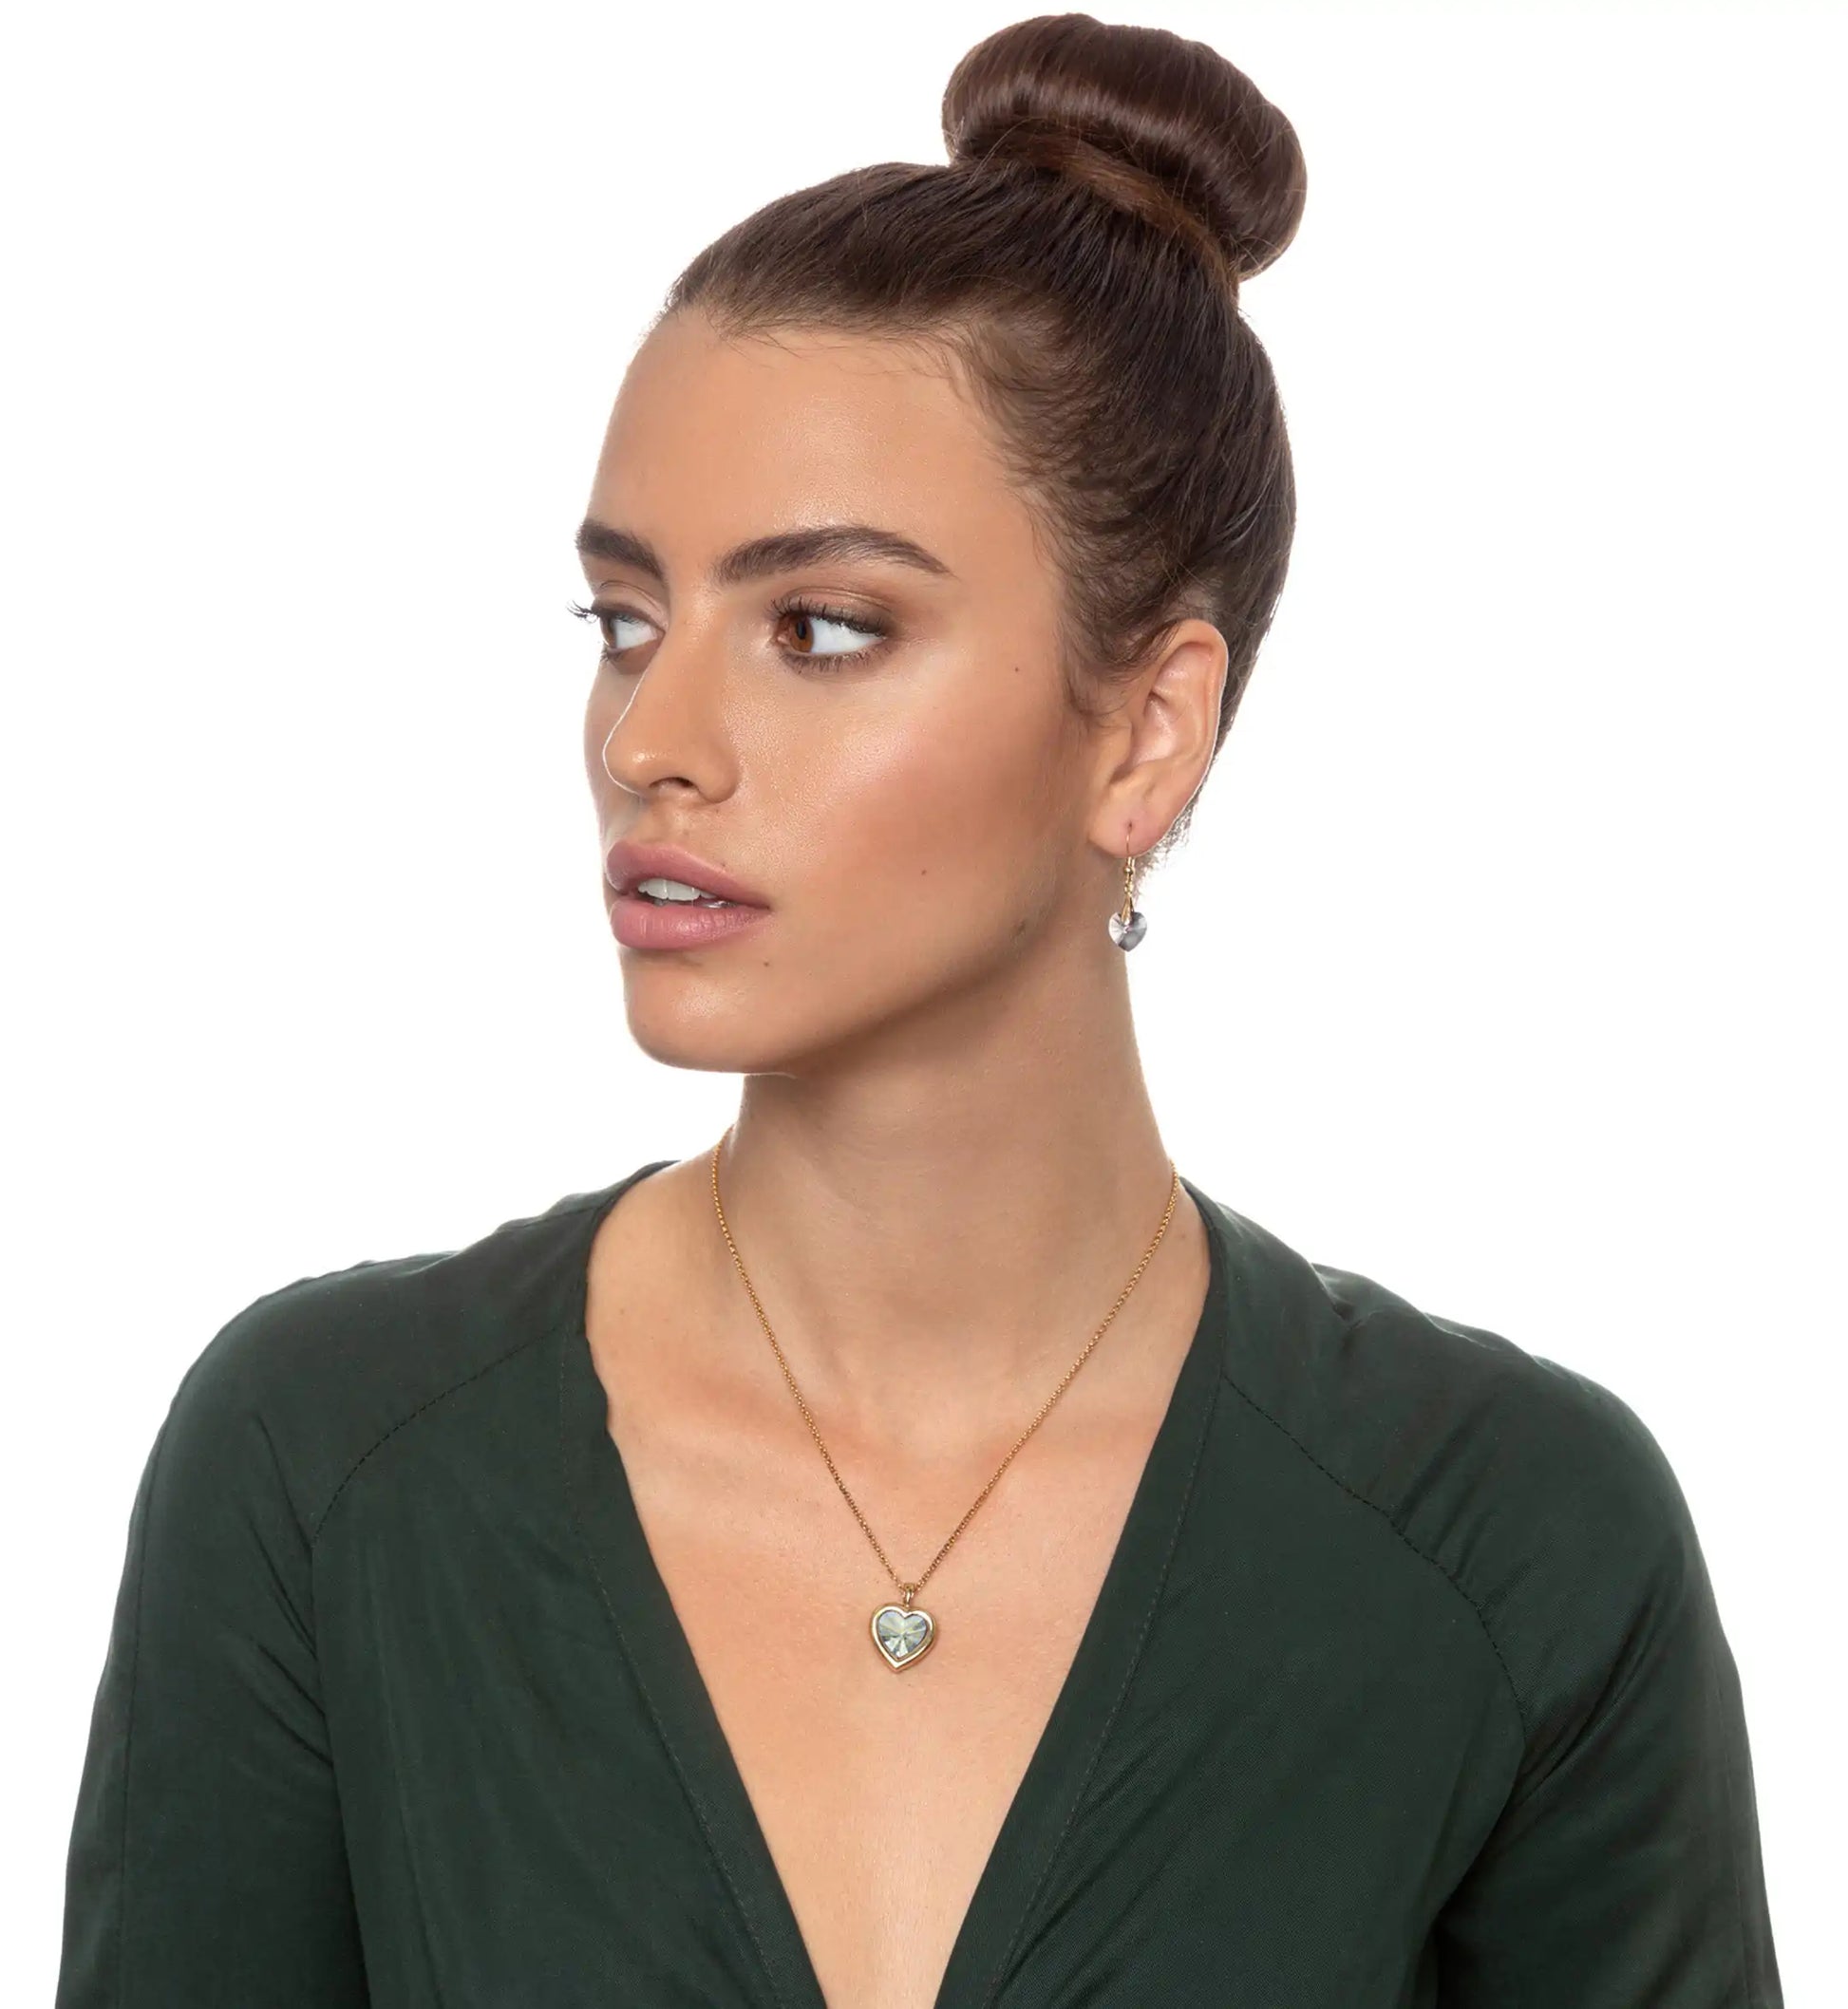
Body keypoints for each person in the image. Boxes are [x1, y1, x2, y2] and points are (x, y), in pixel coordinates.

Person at [55, 13, 1783, 2007]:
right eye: (625, 619)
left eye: (820, 627)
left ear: (1145, 733)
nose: (649, 739)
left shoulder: (1511, 1546)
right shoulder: (329, 1465)